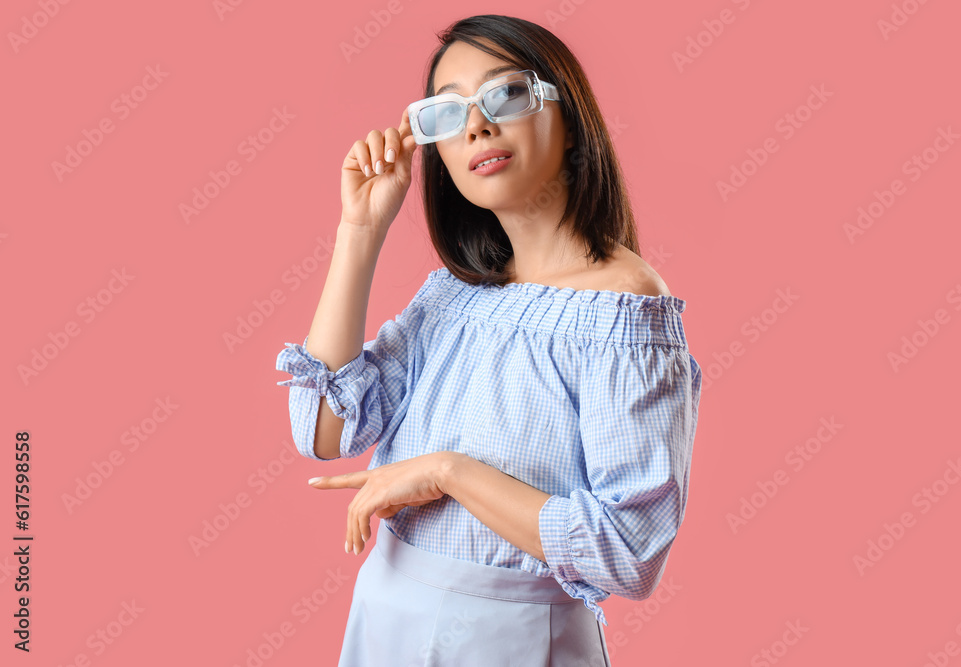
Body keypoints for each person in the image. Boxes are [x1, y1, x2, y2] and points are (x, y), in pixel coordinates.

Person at [275, 14, 702, 666]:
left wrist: (447, 471)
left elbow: (627, 551)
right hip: (385, 620)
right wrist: (358, 233)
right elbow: (323, 429)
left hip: (517, 641)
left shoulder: (622, 309)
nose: (475, 125)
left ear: (570, 116)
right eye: (446, 114)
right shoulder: (453, 295)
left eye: (505, 94)